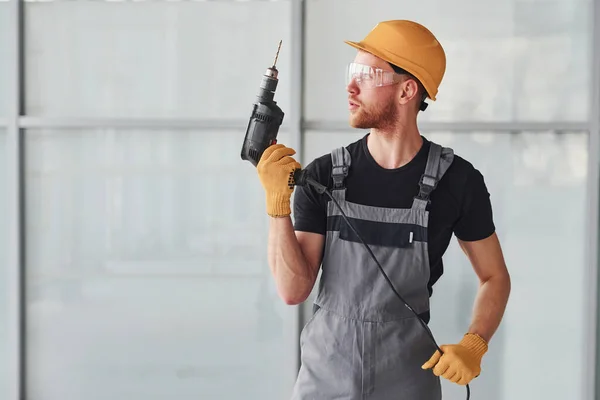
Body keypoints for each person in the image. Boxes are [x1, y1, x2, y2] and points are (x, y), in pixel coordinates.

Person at [256, 19, 511, 399]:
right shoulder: (324, 175)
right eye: (351, 71)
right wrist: (279, 209)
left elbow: (494, 276)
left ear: (407, 90)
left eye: (366, 74)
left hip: (407, 381)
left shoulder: (457, 181)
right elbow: (293, 290)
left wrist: (475, 343)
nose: (350, 85)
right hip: (326, 381)